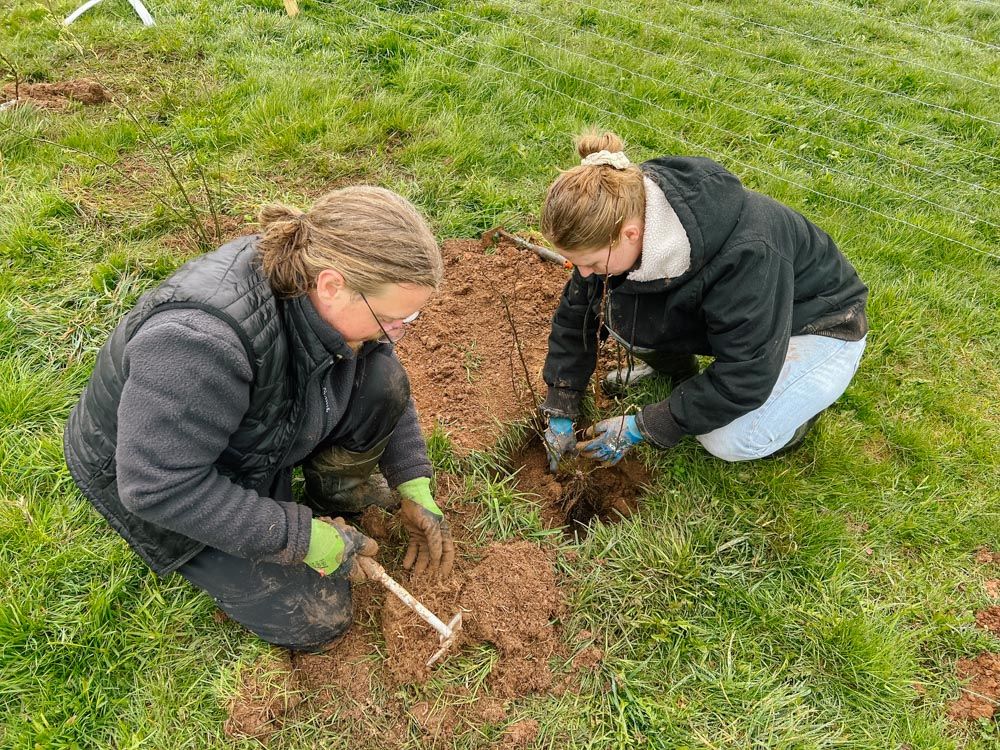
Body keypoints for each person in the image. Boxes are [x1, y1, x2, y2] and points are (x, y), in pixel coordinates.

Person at [64, 186, 455, 652]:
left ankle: (336, 496)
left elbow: (381, 360)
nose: (398, 330)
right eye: (394, 317)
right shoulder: (200, 342)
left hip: (254, 428)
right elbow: (156, 485)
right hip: (170, 474)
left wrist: (413, 481)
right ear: (332, 285)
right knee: (317, 616)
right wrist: (301, 537)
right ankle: (298, 518)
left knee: (382, 375)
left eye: (408, 318)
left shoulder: (327, 288)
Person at [540, 131, 869, 469]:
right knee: (619, 309)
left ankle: (793, 415)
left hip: (819, 322)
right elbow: (577, 315)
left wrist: (646, 425)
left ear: (630, 235)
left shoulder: (748, 256)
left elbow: (747, 376)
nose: (583, 273)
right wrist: (561, 402)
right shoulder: (622, 209)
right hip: (753, 319)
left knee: (729, 438)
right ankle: (679, 373)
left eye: (592, 262)